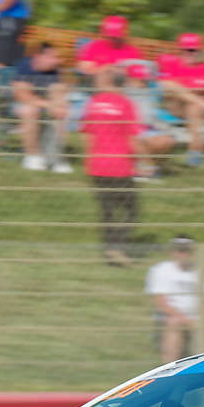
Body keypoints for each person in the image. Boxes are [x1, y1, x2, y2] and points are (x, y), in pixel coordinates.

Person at [80, 62, 140, 266]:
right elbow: (132, 138)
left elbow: (87, 135)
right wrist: (143, 162)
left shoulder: (93, 103)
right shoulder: (125, 103)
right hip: (120, 165)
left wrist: (88, 161)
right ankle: (118, 248)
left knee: (107, 210)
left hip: (98, 164)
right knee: (131, 209)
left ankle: (109, 248)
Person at [146, 233, 204, 361]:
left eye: (186, 251)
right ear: (172, 252)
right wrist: (187, 320)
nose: (182, 254)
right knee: (174, 323)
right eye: (179, 250)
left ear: (193, 252)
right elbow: (161, 302)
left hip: (203, 320)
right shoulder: (160, 270)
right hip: (175, 319)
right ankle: (171, 368)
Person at [159, 32, 204, 167]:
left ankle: (195, 152)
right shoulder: (172, 67)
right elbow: (165, 90)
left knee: (193, 107)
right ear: (180, 50)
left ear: (200, 51)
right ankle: (196, 153)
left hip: (198, 110)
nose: (189, 53)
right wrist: (196, 96)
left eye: (193, 50)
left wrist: (194, 97)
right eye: (185, 50)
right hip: (176, 106)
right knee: (169, 85)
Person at [10, 39, 67, 172]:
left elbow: (58, 91)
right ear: (39, 57)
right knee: (30, 110)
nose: (57, 61)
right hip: (17, 104)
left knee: (62, 110)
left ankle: (54, 157)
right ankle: (32, 157)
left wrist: (59, 105)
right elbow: (22, 95)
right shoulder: (24, 65)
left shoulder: (54, 71)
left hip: (42, 104)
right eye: (53, 57)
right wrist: (49, 105)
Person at [75, 12, 137, 84]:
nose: (113, 39)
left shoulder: (132, 51)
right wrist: (106, 69)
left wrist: (119, 71)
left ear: (125, 34)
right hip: (96, 84)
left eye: (116, 36)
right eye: (110, 36)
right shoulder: (94, 46)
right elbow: (84, 71)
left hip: (124, 85)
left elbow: (137, 76)